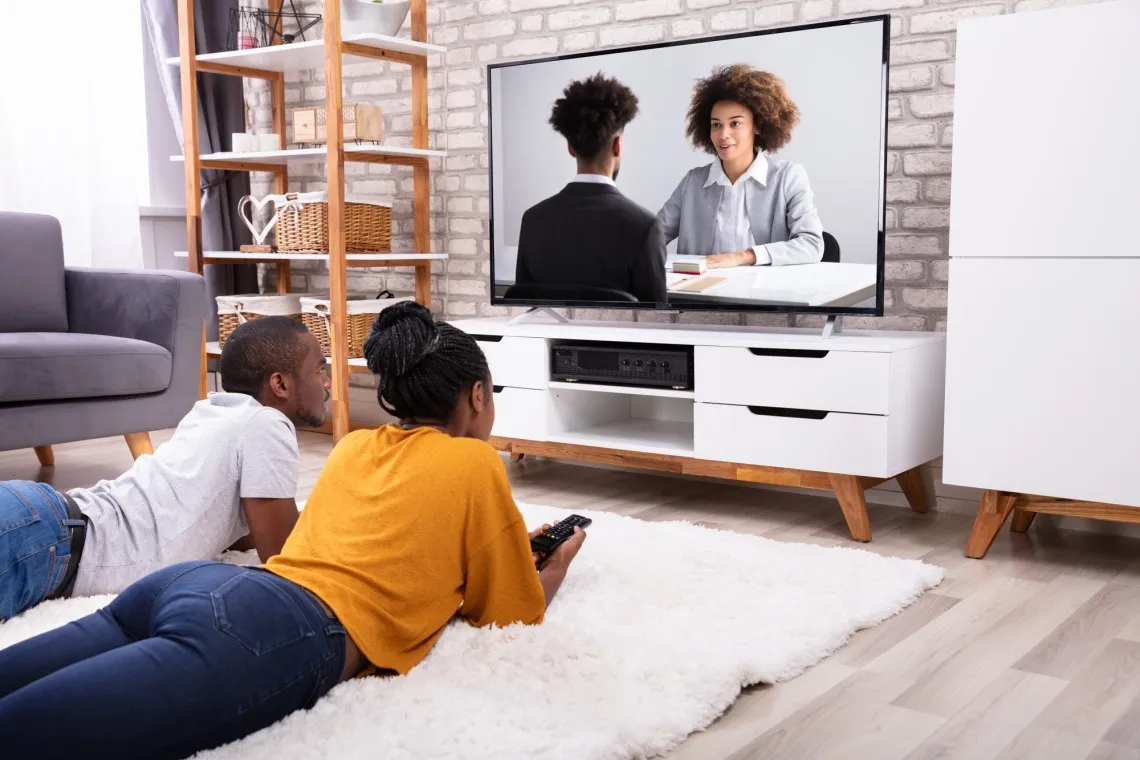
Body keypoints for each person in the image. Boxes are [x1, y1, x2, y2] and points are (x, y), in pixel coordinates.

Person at [0, 302, 587, 760]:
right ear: (477, 396)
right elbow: (508, 612)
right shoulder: (475, 462)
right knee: (30, 737)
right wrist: (550, 569)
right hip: (275, 628)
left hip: (189, 585)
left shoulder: (354, 446)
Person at [0, 316, 329, 621]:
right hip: (43, 541)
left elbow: (237, 534)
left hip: (43, 518)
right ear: (280, 384)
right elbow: (284, 559)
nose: (327, 382)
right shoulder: (267, 424)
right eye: (319, 369)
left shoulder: (214, 412)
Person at [514, 73, 667, 303]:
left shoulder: (532, 220)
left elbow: (526, 307)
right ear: (617, 145)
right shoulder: (645, 227)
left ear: (571, 148)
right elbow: (658, 319)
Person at [658, 64, 824, 268]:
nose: (723, 135)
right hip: (702, 287)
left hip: (764, 288)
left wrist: (743, 256)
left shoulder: (787, 177)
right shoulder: (693, 182)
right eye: (716, 125)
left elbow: (812, 244)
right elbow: (653, 236)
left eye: (735, 123)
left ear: (757, 126)